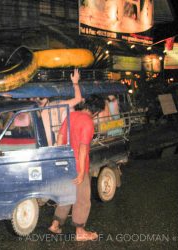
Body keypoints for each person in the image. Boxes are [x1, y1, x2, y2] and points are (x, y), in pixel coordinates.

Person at [48, 94, 105, 241]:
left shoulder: (71, 115)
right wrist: (80, 172)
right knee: (83, 198)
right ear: (96, 112)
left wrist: (60, 159)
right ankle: (80, 232)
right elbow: (83, 149)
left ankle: (55, 224)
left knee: (66, 194)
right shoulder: (88, 122)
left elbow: (60, 137)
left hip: (65, 163)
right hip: (78, 165)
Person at [38, 68, 83, 146]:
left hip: (46, 145)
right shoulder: (59, 105)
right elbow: (78, 99)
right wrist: (75, 82)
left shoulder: (40, 108)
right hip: (57, 145)